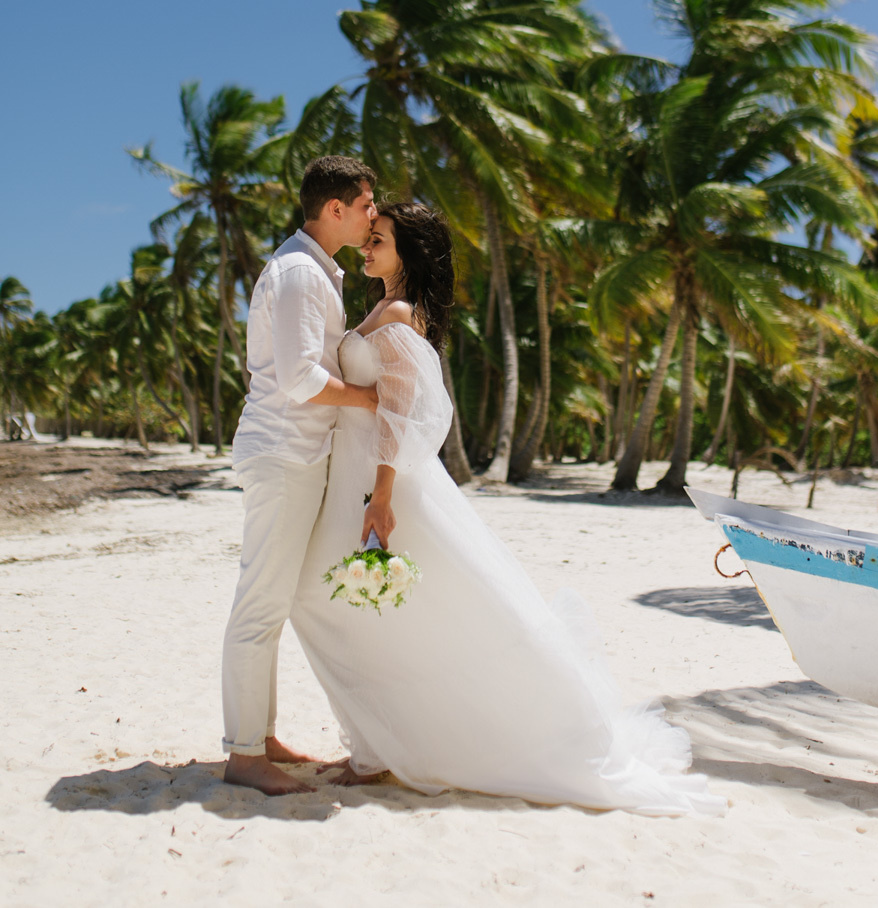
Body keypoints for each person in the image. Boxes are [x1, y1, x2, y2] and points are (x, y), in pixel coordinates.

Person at [290, 202, 724, 816]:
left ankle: (381, 750)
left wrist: (382, 496)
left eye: (378, 240)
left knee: (351, 608)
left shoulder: (395, 315)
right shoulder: (383, 308)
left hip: (380, 483)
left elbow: (404, 409)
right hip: (358, 479)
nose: (367, 246)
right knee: (358, 612)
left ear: (408, 253)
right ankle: (374, 747)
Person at [221, 154, 380, 797]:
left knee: (275, 602)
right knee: (259, 605)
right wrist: (372, 402)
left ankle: (259, 738)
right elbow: (298, 379)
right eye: (367, 204)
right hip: (283, 453)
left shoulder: (316, 271)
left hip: (299, 455)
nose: (374, 215)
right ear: (335, 210)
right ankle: (242, 753)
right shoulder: (296, 274)